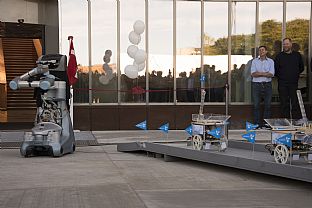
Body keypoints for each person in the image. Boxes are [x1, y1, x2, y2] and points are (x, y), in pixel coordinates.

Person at [274, 38, 304, 119]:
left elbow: (301, 68)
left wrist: (294, 75)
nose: (285, 45)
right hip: (282, 83)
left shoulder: (297, 55)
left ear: (291, 44)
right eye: (284, 44)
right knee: (284, 103)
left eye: (287, 44)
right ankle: (285, 121)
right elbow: (275, 70)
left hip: (294, 83)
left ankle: (294, 121)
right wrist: (281, 77)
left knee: (294, 103)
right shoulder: (279, 56)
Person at [251, 46, 275, 129]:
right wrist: (265, 73)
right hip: (256, 85)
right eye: (259, 50)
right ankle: (257, 124)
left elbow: (271, 74)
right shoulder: (254, 61)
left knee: (267, 105)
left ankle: (266, 124)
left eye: (263, 50)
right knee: (256, 105)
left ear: (266, 51)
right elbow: (253, 74)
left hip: (267, 85)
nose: (261, 51)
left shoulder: (271, 61)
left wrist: (259, 73)